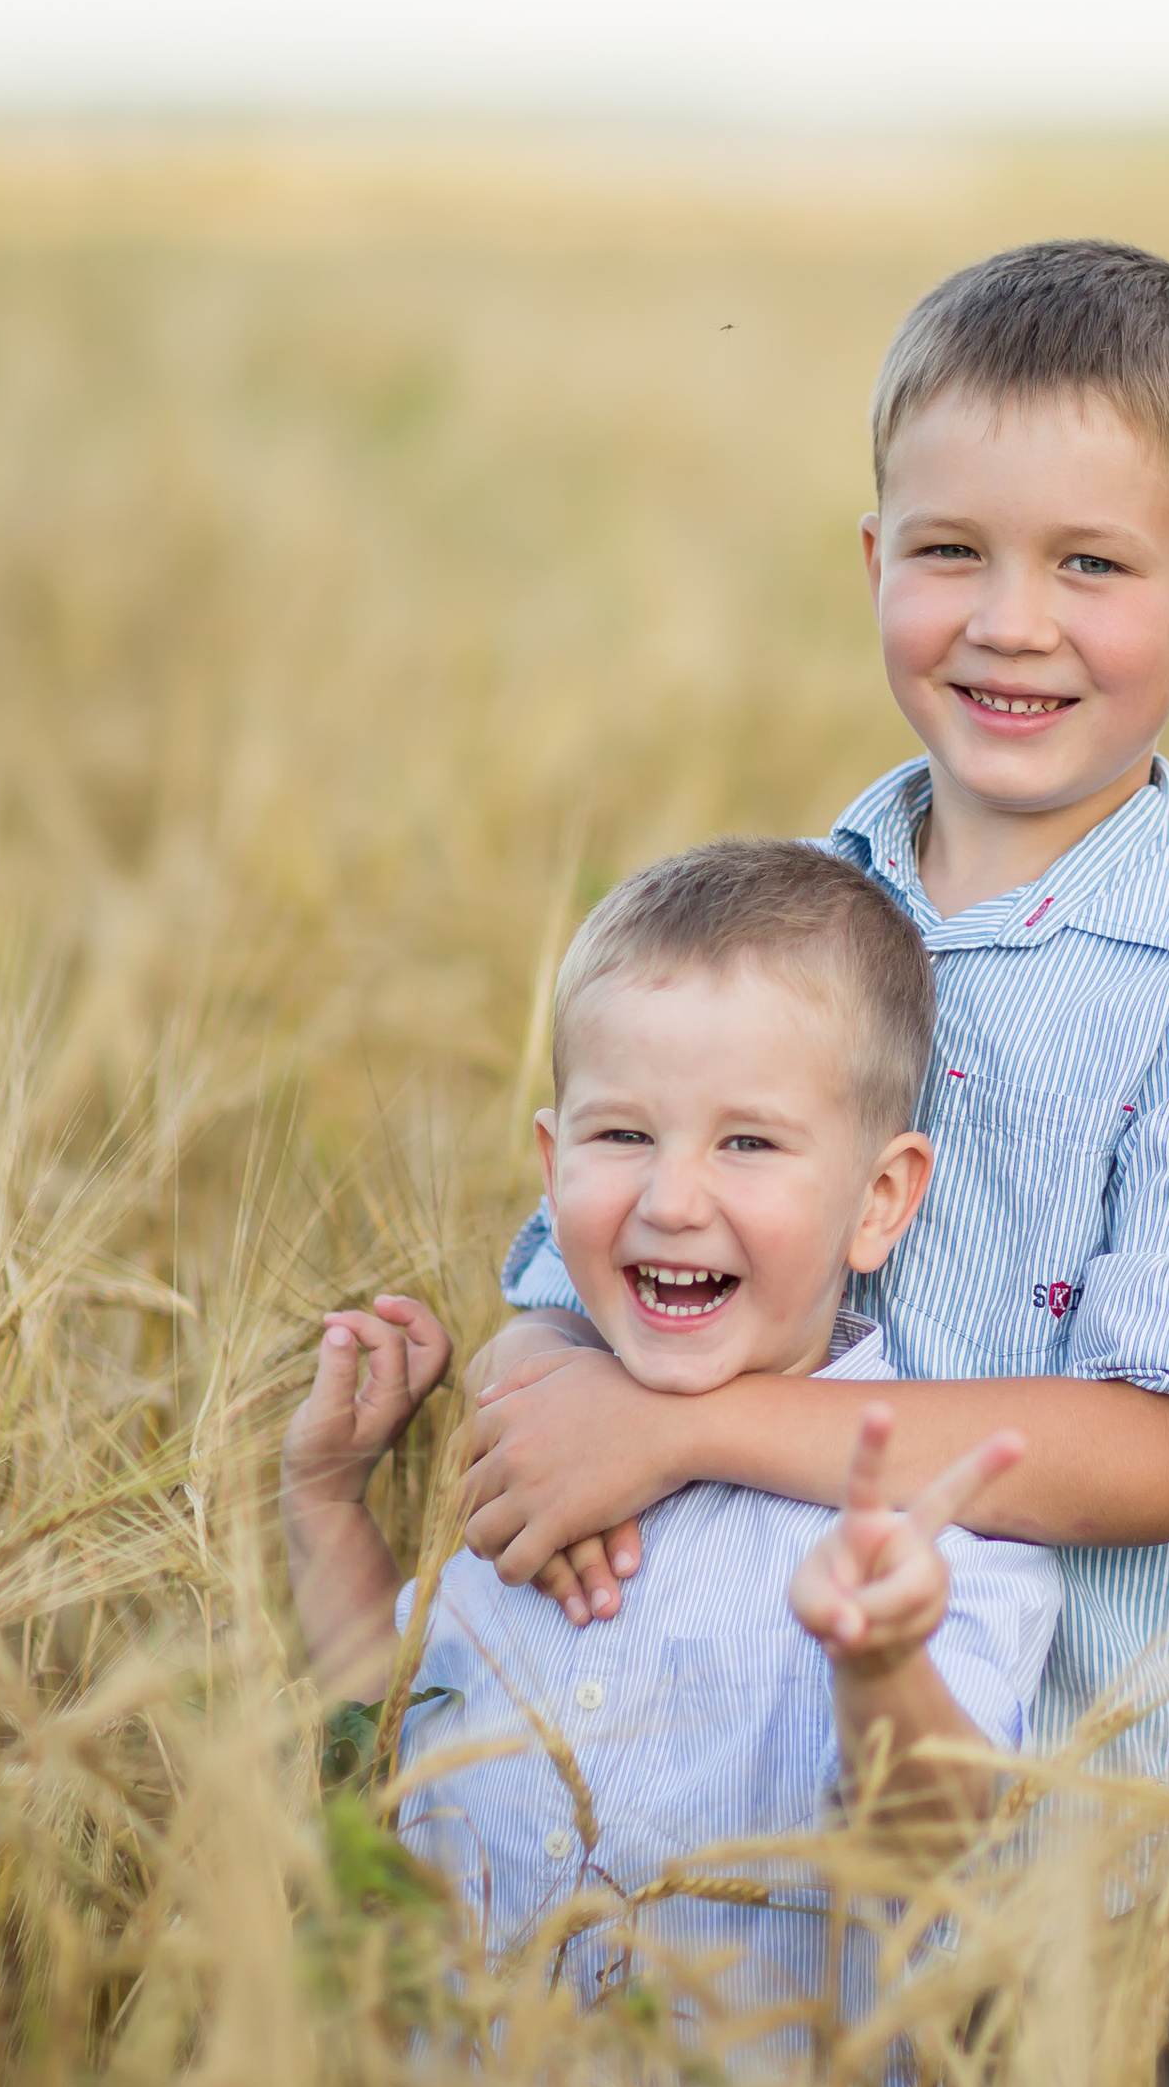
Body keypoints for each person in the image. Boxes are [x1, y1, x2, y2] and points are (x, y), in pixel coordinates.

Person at [464, 237, 1169, 1829]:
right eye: (953, 552)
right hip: (737, 1824)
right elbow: (565, 1288)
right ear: (873, 562)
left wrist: (683, 1434)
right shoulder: (790, 918)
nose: (1012, 624)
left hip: (1075, 1867)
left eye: (1092, 566)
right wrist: (550, 1405)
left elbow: (1153, 1459)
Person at [280, 839, 1060, 2023]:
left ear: (881, 1200)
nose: (670, 1200)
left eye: (746, 1143)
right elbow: (391, 1729)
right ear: (551, 1170)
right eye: (622, 1136)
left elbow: (930, 1849)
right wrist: (328, 1506)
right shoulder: (531, 1451)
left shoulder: (931, 1518)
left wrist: (881, 1662)